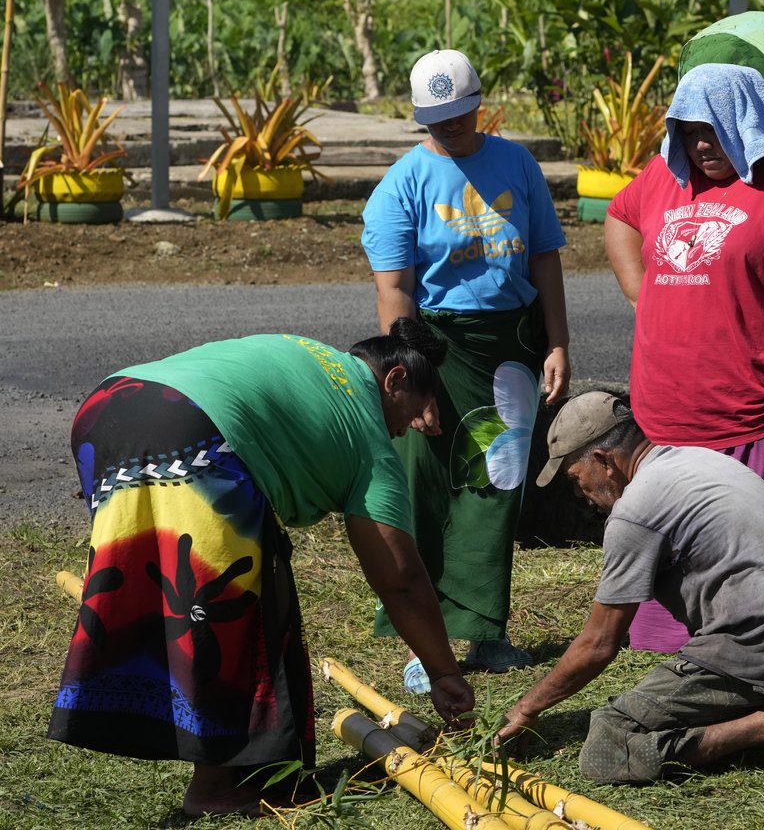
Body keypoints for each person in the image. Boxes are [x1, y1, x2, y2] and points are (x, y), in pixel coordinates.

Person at [47, 319, 475, 820]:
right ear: (394, 379)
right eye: (414, 408)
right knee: (230, 605)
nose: (409, 427)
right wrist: (444, 671)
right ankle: (222, 784)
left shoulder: (312, 354)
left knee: (150, 586)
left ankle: (183, 743)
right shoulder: (368, 436)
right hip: (191, 427)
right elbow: (399, 580)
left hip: (108, 409)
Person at [604, 63, 764, 651]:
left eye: (716, 128)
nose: (702, 144)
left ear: (748, 120)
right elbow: (621, 216)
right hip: (669, 419)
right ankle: (683, 650)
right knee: (677, 555)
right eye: (691, 129)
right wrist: (639, 290)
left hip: (759, 418)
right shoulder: (663, 177)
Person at [497, 391, 764, 783]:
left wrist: (527, 709)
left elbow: (600, 644)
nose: (579, 495)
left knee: (608, 744)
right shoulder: (699, 460)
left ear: (603, 461)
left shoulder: (635, 510)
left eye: (576, 478)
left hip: (760, 648)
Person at [361, 48, 570, 690]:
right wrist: (413, 378)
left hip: (510, 345)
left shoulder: (517, 163)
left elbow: (544, 260)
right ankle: (426, 636)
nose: (448, 127)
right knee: (429, 486)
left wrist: (557, 344)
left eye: (457, 114)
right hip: (436, 346)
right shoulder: (402, 184)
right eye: (435, 118)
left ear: (479, 103)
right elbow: (394, 290)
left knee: (497, 480)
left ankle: (485, 630)